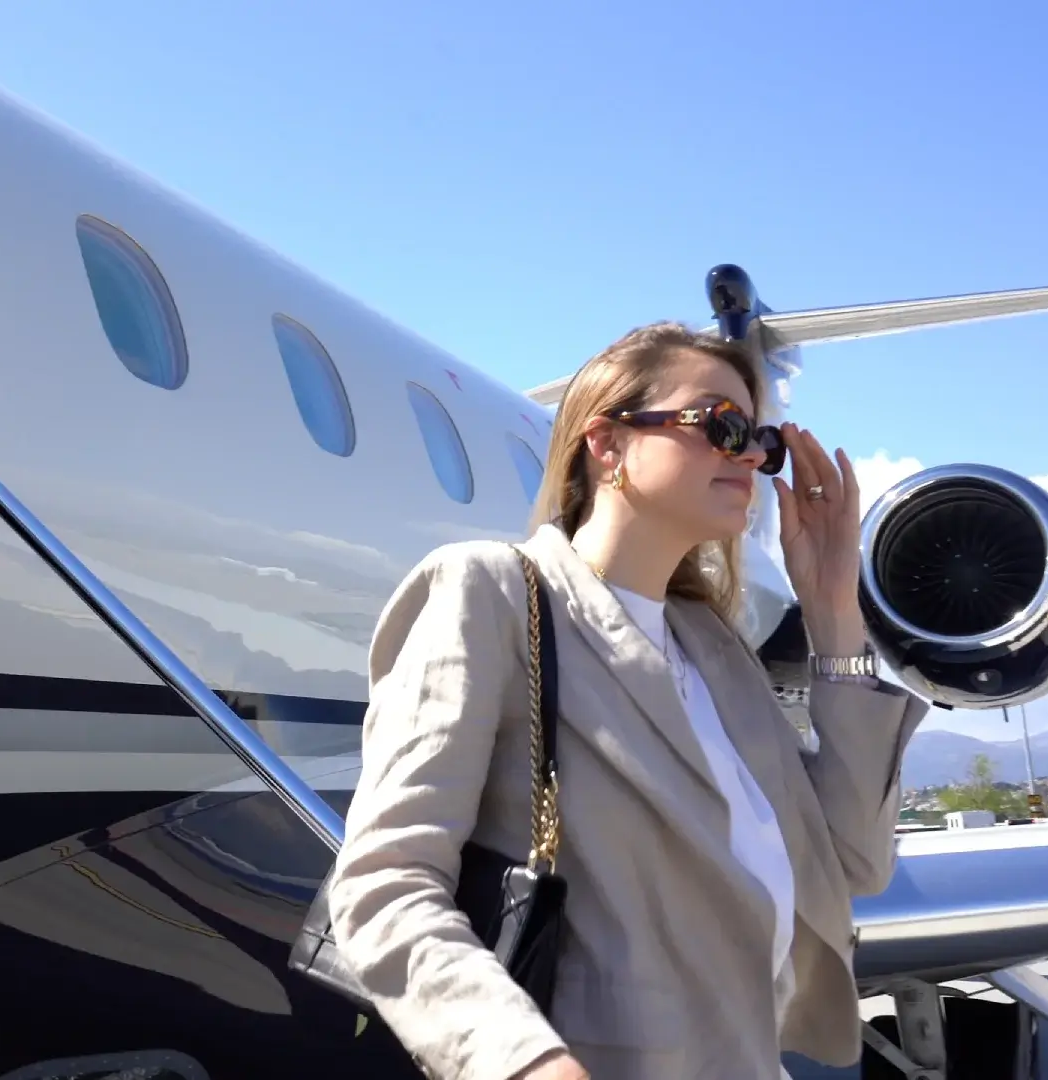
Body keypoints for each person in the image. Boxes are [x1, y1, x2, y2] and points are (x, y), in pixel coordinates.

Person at [324, 322, 926, 1080]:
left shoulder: (715, 652)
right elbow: (384, 885)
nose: (748, 455)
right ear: (606, 444)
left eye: (759, 442)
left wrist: (835, 606)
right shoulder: (492, 593)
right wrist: (521, 1062)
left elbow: (853, 865)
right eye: (721, 425)